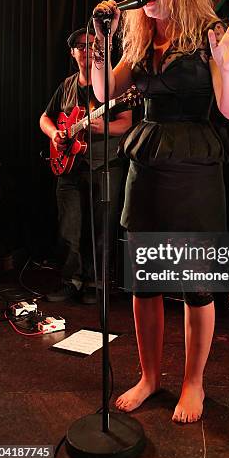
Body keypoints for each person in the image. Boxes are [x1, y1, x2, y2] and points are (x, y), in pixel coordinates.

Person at [92, 0, 229, 422]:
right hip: (148, 159)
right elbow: (103, 93)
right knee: (145, 282)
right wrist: (101, 49)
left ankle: (193, 384)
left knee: (197, 285)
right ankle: (149, 377)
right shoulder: (139, 43)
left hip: (195, 160)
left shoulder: (209, 34)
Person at [40, 28, 132, 303]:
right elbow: (45, 118)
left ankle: (97, 284)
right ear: (72, 53)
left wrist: (104, 126)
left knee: (102, 229)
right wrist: (54, 134)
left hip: (104, 165)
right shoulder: (66, 85)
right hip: (68, 168)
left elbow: (126, 123)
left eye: (92, 45)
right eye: (80, 46)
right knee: (68, 228)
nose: (86, 50)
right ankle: (71, 281)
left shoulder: (114, 84)